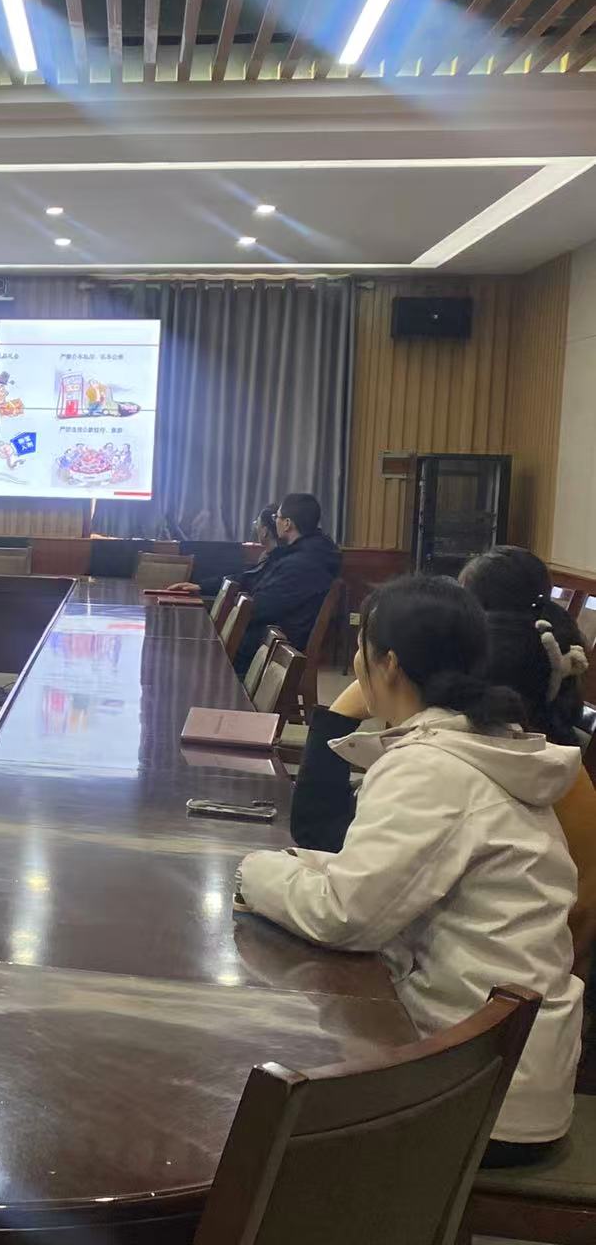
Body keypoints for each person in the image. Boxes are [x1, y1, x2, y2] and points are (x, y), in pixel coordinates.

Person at [238, 574, 585, 1163]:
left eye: (361, 649)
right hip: (512, 1070)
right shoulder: (486, 743)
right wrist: (303, 866)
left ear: (389, 664)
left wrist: (253, 870)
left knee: (259, 1115)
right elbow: (387, 878)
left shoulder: (430, 766)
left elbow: (344, 916)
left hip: (478, 1093)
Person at [292, 547, 596, 976]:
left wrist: (340, 714)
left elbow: (333, 857)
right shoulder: (532, 756)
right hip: (527, 987)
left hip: (487, 996)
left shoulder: (454, 763)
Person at [175, 493, 340, 672]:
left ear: (287, 524)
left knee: (198, 648)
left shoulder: (302, 563)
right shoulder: (302, 553)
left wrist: (224, 608)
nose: (275, 521)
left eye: (277, 517)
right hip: (270, 634)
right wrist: (204, 587)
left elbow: (260, 607)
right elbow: (252, 578)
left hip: (274, 643)